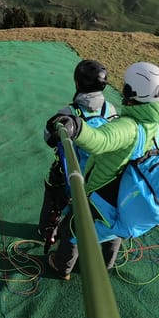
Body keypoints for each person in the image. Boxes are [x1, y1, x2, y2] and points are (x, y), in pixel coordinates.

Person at [44, 61, 159, 280]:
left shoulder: (129, 126)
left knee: (74, 228)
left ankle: (62, 266)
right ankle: (104, 265)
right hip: (130, 194)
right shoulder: (156, 124)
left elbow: (100, 141)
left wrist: (76, 126)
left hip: (105, 191)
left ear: (131, 90)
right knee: (114, 230)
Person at [38, 59, 118, 254]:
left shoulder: (70, 112)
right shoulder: (111, 110)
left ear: (78, 83)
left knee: (54, 202)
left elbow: (49, 139)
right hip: (100, 178)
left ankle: (47, 232)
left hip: (69, 177)